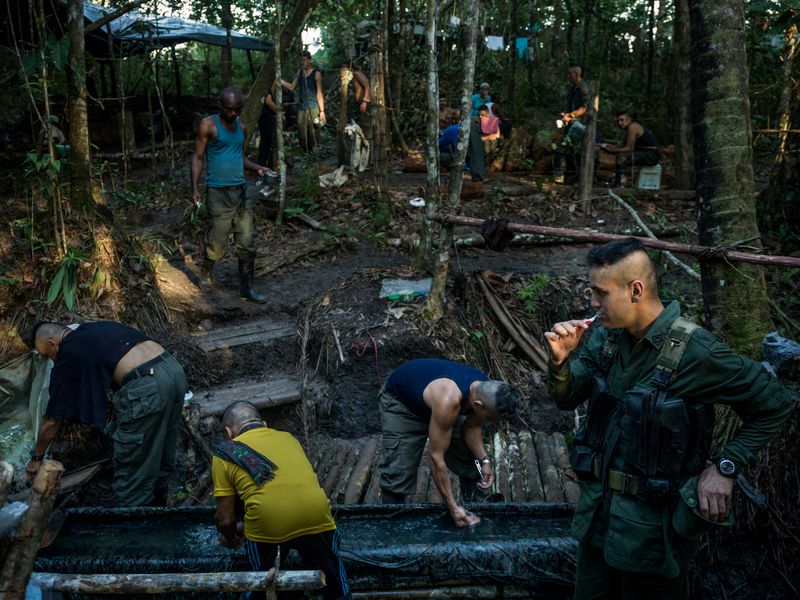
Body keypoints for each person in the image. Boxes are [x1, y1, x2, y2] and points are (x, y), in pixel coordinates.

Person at [544, 238, 795, 600]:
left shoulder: (697, 351)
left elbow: (776, 403)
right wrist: (560, 361)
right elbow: (567, 397)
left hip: (651, 533)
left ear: (635, 290)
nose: (594, 304)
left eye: (600, 293)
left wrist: (725, 466)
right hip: (597, 520)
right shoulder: (606, 340)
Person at [24, 321, 188, 507]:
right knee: (161, 453)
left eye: (47, 355)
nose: (52, 360)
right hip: (173, 370)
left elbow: (52, 420)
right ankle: (160, 515)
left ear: (53, 344)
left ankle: (132, 530)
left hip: (146, 384)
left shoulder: (69, 351)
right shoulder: (92, 329)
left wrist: (36, 458)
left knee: (132, 471)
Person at [212, 401, 351, 600]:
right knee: (334, 581)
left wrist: (232, 538)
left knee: (260, 582)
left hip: (268, 527)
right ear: (264, 424)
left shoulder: (224, 454)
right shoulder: (288, 438)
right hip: (316, 516)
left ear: (229, 432)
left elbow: (225, 519)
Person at [378, 358, 519, 527]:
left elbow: (472, 427)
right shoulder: (450, 401)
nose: (488, 421)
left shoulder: (487, 390)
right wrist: (452, 508)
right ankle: (392, 525)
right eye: (488, 418)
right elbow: (436, 457)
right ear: (478, 405)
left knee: (468, 454)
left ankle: (475, 505)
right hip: (403, 404)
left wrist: (484, 461)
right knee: (398, 469)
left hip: (437, 404)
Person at [190, 87, 274, 303]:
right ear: (220, 106)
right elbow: (198, 157)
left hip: (241, 191)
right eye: (230, 109)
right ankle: (206, 272)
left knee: (248, 241)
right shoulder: (208, 125)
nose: (234, 114)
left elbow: (239, 157)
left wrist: (258, 168)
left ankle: (246, 287)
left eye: (238, 109)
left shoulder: (241, 127)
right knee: (217, 240)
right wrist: (195, 188)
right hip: (218, 192)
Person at [600, 111, 661, 187]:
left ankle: (619, 184)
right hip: (646, 153)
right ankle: (619, 182)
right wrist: (611, 147)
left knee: (622, 157)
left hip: (651, 155)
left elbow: (628, 149)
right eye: (618, 121)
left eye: (622, 120)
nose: (620, 123)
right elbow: (624, 146)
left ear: (629, 119)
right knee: (622, 156)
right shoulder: (630, 127)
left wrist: (613, 150)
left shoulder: (632, 127)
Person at [282, 50, 326, 153]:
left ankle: (314, 154)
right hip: (302, 107)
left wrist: (322, 111)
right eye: (300, 61)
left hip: (314, 107)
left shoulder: (316, 74)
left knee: (314, 132)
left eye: (304, 60)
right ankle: (305, 153)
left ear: (309, 60)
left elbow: (319, 93)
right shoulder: (300, 72)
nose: (302, 62)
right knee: (302, 132)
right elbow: (292, 86)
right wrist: (281, 81)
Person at [555, 65, 590, 183]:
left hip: (579, 124)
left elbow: (584, 108)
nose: (568, 76)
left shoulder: (583, 88)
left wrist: (571, 116)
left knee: (565, 148)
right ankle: (571, 177)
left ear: (576, 74)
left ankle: (561, 176)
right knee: (569, 150)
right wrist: (566, 114)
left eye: (570, 74)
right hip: (571, 122)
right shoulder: (574, 88)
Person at [257, 87, 278, 170]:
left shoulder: (271, 90)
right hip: (267, 118)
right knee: (269, 142)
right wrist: (279, 112)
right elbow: (268, 102)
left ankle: (263, 165)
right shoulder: (267, 89)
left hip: (265, 118)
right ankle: (268, 166)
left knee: (265, 142)